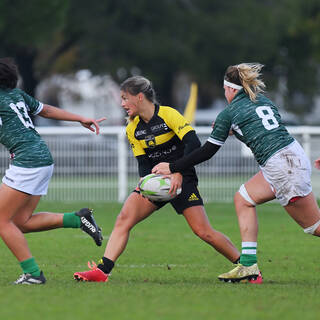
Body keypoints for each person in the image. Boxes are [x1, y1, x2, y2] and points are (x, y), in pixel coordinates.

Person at [152, 63, 320, 284]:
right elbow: (265, 129)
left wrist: (172, 167)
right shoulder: (263, 101)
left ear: (229, 89)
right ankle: (249, 266)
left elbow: (208, 151)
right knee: (244, 198)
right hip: (291, 156)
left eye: (224, 89)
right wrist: (234, 130)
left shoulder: (229, 113)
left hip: (282, 167)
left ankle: (248, 266)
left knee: (314, 227)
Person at [73, 75, 240, 282]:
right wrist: (144, 183)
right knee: (124, 219)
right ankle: (102, 271)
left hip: (182, 178)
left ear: (140, 97)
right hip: (157, 182)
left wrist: (177, 172)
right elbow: (143, 163)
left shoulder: (168, 115)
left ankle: (246, 266)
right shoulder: (133, 128)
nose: (122, 104)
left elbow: (193, 144)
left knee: (203, 232)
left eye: (125, 98)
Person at [0, 57, 105, 285]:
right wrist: (79, 118)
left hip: (28, 160)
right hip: (41, 157)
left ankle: (33, 274)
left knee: (1, 221)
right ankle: (79, 219)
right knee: (20, 222)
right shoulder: (16, 95)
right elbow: (45, 110)